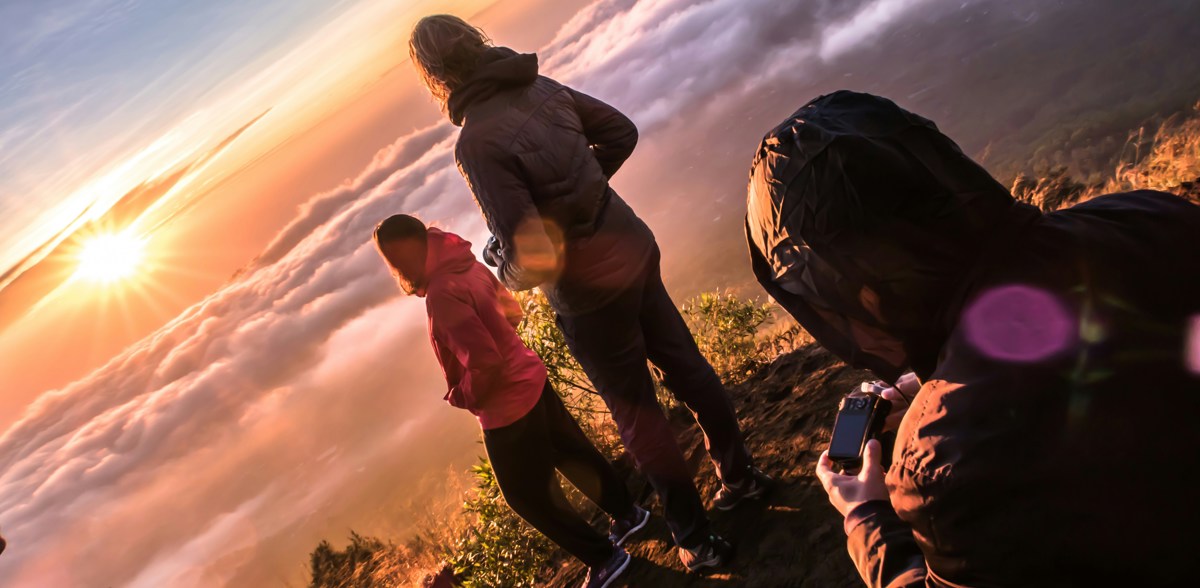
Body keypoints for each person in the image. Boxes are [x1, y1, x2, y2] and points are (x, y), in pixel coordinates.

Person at [746, 90, 1200, 586]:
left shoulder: (942, 463)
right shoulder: (1149, 215)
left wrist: (867, 518)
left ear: (865, 294)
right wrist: (949, 374)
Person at [408, 14, 770, 571]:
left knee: (639, 416)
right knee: (689, 368)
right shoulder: (542, 87)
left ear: (434, 75)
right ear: (475, 43)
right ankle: (741, 476)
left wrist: (498, 264)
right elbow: (621, 132)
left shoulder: (477, 143)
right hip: (630, 243)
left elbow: (530, 257)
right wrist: (586, 195)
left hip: (588, 295)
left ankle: (697, 539)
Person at [373, 214, 650, 588]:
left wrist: (463, 395)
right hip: (530, 375)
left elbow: (484, 363)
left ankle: (605, 557)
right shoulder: (464, 261)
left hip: (506, 408)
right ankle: (629, 514)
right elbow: (513, 312)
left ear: (399, 261)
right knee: (570, 450)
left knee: (525, 496)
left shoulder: (441, 294)